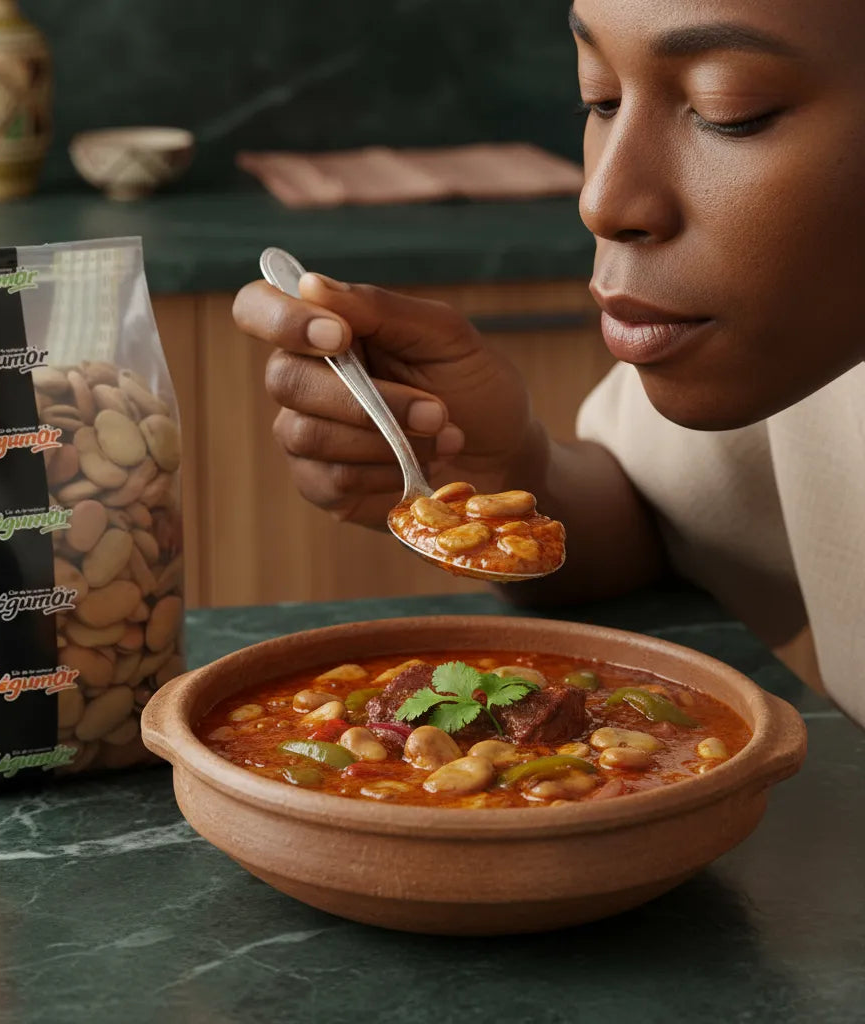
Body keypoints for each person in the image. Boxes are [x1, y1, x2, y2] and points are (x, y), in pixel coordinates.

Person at [232, 0, 865, 725]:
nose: (601, 200)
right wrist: (503, 474)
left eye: (729, 111)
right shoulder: (807, 356)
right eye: (601, 98)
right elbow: (660, 526)